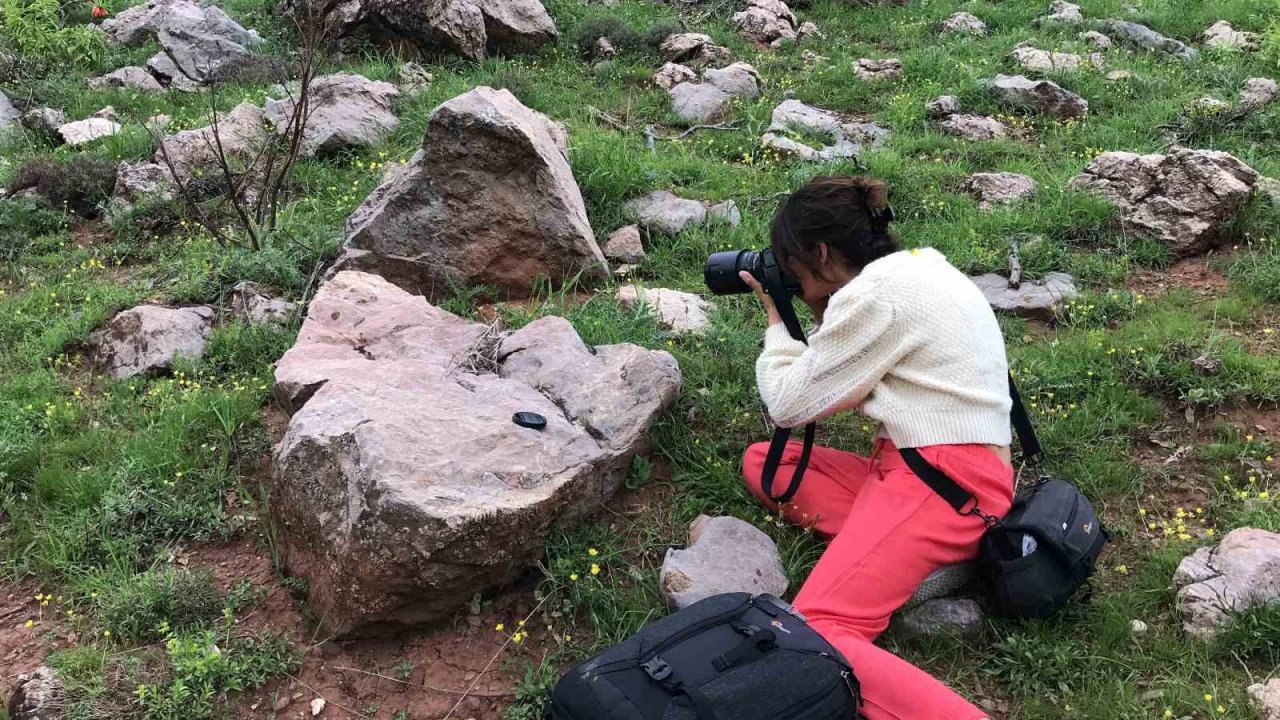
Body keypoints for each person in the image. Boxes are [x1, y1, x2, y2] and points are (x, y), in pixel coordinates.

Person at [738, 175, 1015, 720]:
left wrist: (777, 324)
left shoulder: (876, 296)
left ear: (818, 253)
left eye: (790, 262)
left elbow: (790, 406)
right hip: (934, 468)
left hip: (945, 484)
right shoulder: (918, 267)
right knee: (768, 465)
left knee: (819, 628)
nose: (790, 277)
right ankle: (912, 561)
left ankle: (923, 560)